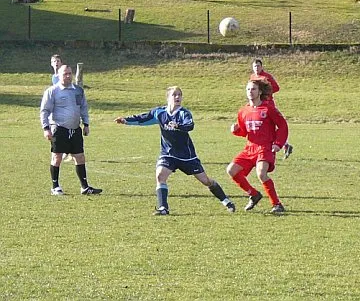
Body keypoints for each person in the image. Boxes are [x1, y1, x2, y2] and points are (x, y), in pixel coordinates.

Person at [114, 86, 235, 215]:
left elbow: (190, 125)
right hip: (168, 154)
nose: (177, 97)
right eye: (174, 95)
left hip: (186, 156)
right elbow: (143, 118)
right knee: (160, 176)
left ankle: (226, 201)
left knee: (206, 181)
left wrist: (178, 126)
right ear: (168, 98)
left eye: (179, 95)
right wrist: (126, 120)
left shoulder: (184, 113)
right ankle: (163, 208)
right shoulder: (159, 113)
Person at [227, 79, 289, 213]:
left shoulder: (268, 109)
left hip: (265, 147)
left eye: (253, 89)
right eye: (248, 89)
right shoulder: (243, 111)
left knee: (261, 173)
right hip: (250, 148)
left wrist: (278, 143)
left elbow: (283, 126)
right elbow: (244, 131)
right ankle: (254, 194)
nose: (250, 91)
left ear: (260, 92)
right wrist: (235, 130)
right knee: (231, 170)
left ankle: (277, 204)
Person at [40, 65, 102, 196]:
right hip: (59, 129)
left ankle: (85, 187)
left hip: (75, 129)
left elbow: (83, 107)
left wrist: (86, 124)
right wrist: (46, 128)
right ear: (59, 76)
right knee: (57, 157)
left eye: (69, 73)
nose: (68, 76)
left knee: (80, 157)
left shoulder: (78, 90)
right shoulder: (52, 91)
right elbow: (44, 111)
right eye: (65, 74)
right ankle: (55, 187)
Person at [250, 58, 294, 159]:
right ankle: (285, 145)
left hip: (268, 105)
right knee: (263, 127)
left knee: (271, 127)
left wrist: (266, 93)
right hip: (258, 105)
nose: (257, 68)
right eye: (255, 66)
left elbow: (276, 87)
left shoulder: (267, 77)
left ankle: (278, 147)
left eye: (258, 66)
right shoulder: (252, 77)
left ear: (262, 67)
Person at [50, 54, 74, 163]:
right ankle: (65, 151)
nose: (56, 63)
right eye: (54, 61)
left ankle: (65, 151)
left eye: (58, 61)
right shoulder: (54, 76)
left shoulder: (63, 75)